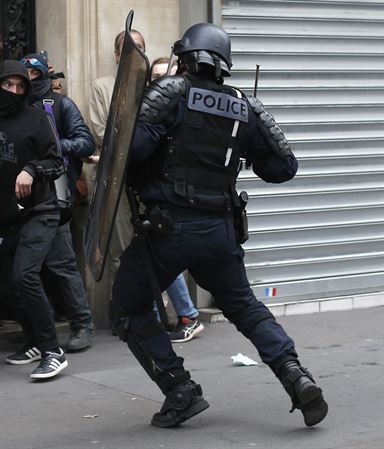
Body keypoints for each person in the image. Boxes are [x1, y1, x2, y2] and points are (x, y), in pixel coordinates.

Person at [110, 23, 328, 428]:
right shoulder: (246, 105)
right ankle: (295, 374)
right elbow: (283, 167)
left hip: (167, 229)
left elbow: (130, 150)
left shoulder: (171, 91)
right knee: (245, 308)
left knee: (127, 306)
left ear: (187, 56)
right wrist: (244, 152)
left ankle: (180, 390)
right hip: (219, 233)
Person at [0, 60, 68, 379]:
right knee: (8, 285)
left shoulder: (36, 118)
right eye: (8, 85)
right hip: (1, 218)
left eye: (19, 86)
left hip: (39, 212)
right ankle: (33, 339)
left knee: (26, 274)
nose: (13, 91)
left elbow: (56, 161)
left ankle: (53, 350)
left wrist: (32, 170)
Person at [21, 53, 96, 352]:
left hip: (55, 192)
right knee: (28, 267)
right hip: (22, 194)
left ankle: (81, 323)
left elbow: (85, 142)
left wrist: (51, 146)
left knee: (61, 262)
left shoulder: (61, 105)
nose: (26, 80)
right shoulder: (15, 106)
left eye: (33, 73)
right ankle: (39, 329)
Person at [149, 56, 204, 343]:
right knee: (157, 258)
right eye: (154, 76)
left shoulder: (181, 109)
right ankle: (162, 317)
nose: (159, 80)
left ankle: (189, 315)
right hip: (158, 195)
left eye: (164, 75)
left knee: (166, 258)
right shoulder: (153, 109)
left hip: (180, 197)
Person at [87, 29, 146, 292]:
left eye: (139, 47)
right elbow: (102, 131)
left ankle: (161, 312)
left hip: (146, 176)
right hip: (117, 177)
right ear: (117, 54)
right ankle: (123, 311)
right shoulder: (103, 86)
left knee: (153, 246)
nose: (135, 52)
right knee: (120, 248)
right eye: (128, 47)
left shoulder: (152, 85)